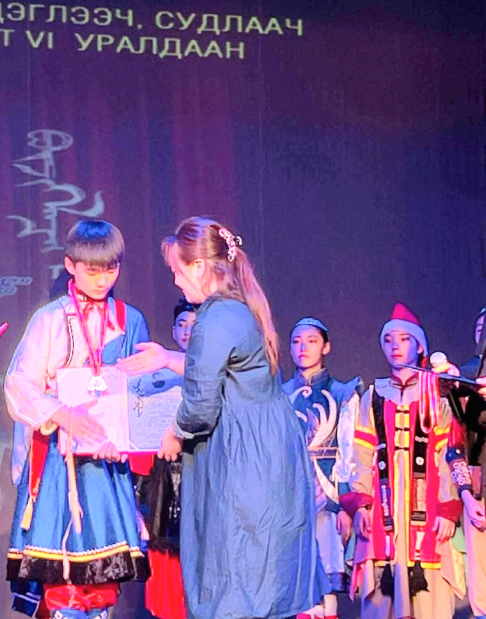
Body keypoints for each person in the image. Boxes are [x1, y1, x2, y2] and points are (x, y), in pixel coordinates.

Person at [118, 216, 324, 619]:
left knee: (237, 573)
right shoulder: (239, 308)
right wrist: (168, 357)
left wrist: (174, 434)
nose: (176, 281)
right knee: (259, 574)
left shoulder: (214, 318)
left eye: (178, 271)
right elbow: (229, 371)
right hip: (264, 452)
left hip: (243, 460)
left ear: (198, 266)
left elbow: (200, 404)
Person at [5, 219, 150, 619]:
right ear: (70, 265)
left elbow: (140, 393)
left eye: (111, 269)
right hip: (59, 462)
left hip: (107, 464)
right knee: (62, 572)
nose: (102, 280)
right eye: (92, 270)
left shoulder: (130, 320)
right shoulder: (50, 319)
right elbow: (18, 383)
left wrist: (127, 441)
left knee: (102, 578)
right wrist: (61, 413)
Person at [340, 303, 461, 619]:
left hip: (428, 508)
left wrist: (448, 508)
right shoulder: (373, 396)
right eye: (388, 339)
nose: (395, 346)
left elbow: (447, 455)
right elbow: (361, 454)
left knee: (430, 601)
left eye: (404, 339)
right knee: (383, 601)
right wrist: (362, 504)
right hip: (385, 510)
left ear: (419, 346)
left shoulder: (436, 395)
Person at [282, 317, 363, 619]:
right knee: (294, 576)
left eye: (312, 341)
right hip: (287, 498)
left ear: (325, 347)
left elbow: (349, 450)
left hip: (329, 497)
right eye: (296, 341)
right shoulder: (279, 395)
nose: (303, 347)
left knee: (327, 579)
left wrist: (345, 505)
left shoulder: (343, 393)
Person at [136, 298, 197, 619]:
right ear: (173, 331)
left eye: (194, 325)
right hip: (163, 480)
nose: (187, 331)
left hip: (201, 474)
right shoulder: (156, 376)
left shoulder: (216, 376)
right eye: (181, 325)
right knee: (165, 564)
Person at [445, 306, 486, 619]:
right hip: (480, 494)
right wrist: (468, 497)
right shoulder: (465, 387)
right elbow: (454, 447)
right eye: (481, 327)